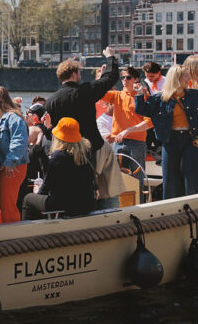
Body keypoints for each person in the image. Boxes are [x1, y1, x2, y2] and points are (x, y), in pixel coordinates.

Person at [45, 47, 124, 209]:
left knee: (79, 188)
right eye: (79, 73)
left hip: (65, 152)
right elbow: (111, 77)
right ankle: (111, 215)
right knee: (109, 187)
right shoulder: (85, 91)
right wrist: (110, 57)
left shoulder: (51, 101)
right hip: (93, 148)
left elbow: (50, 129)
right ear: (74, 75)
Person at [135, 65, 198, 199]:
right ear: (177, 78)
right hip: (170, 139)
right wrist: (140, 94)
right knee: (169, 176)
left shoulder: (194, 95)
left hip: (190, 139)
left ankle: (193, 208)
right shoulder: (160, 99)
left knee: (191, 176)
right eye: (185, 76)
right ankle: (171, 210)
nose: (188, 78)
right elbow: (142, 110)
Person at [21, 118, 97, 219]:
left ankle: (30, 231)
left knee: (28, 199)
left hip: (64, 205)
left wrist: (38, 192)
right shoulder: (85, 153)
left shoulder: (58, 156)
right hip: (86, 204)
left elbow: (47, 186)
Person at [102, 66, 153, 201]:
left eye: (128, 77)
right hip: (118, 142)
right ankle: (120, 206)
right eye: (122, 77)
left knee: (138, 178)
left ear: (136, 79)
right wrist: (102, 77)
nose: (124, 80)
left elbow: (149, 122)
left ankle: (140, 206)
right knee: (118, 178)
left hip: (137, 143)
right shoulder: (117, 95)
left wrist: (128, 130)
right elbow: (99, 93)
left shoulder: (143, 96)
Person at [0, 86, 29, 224]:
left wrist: (10, 160)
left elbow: (19, 140)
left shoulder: (13, 118)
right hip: (0, 167)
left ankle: (12, 234)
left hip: (13, 166)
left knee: (7, 204)